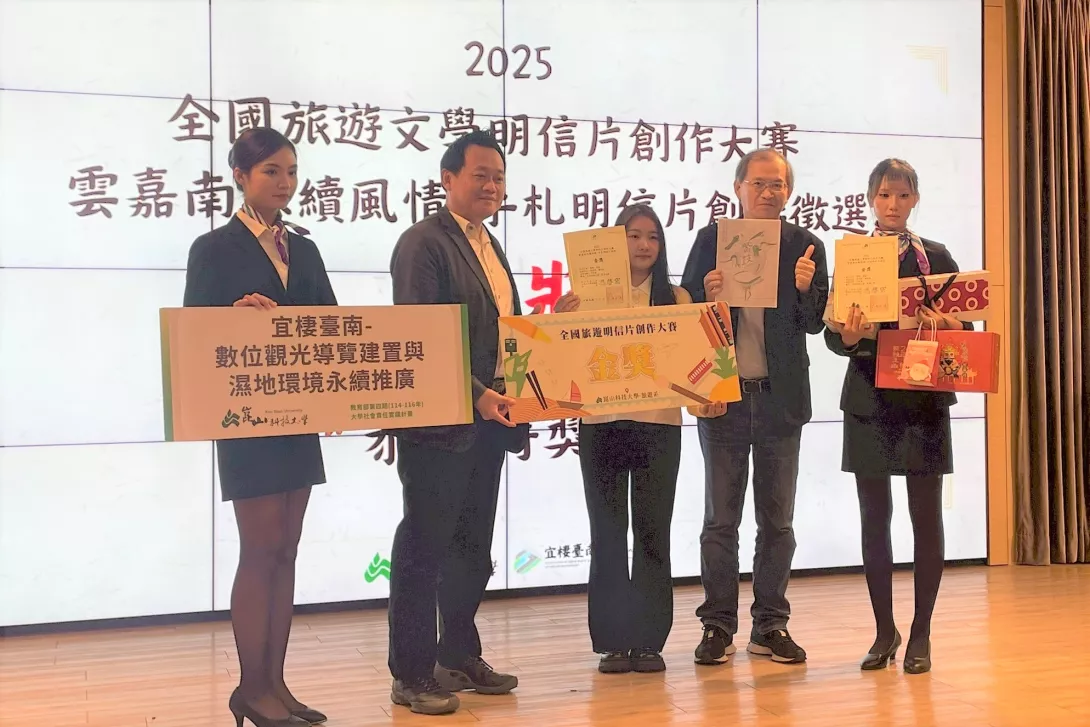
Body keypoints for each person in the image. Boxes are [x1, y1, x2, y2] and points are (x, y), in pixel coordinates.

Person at [183, 128, 335, 727]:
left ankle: (276, 684)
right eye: (271, 171)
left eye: (291, 171)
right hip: (247, 416)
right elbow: (193, 334)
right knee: (261, 547)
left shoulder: (306, 249)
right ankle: (251, 688)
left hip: (301, 415)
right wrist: (231, 316)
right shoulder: (213, 248)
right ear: (240, 176)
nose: (284, 182)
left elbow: (332, 326)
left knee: (287, 550)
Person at [386, 130, 530, 716]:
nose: (491, 186)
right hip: (440, 424)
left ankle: (459, 654)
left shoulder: (490, 244)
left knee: (472, 547)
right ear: (448, 180)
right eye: (480, 175)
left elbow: (502, 332)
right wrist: (476, 395)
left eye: (498, 177)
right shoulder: (423, 243)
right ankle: (411, 672)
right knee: (424, 547)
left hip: (491, 420)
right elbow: (421, 337)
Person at [554, 205, 725, 674]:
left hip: (659, 427)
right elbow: (560, 360)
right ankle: (612, 642)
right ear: (615, 241)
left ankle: (649, 641)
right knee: (607, 534)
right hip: (601, 425)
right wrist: (558, 322)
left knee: (653, 533)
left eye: (652, 237)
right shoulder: (585, 297)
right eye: (634, 235)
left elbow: (698, 365)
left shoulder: (677, 297)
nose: (644, 245)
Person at [680, 149, 828, 667]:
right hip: (724, 396)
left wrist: (806, 289)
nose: (769, 192)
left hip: (780, 400)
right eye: (759, 183)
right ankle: (717, 626)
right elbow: (685, 313)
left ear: (789, 192)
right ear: (738, 187)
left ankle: (771, 625)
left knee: (778, 522)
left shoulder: (806, 245)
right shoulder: (711, 240)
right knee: (720, 520)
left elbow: (816, 323)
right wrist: (705, 292)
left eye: (778, 185)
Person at [825, 158, 971, 675]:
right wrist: (847, 336)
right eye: (885, 195)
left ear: (915, 200)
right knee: (874, 519)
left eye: (903, 195)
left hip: (924, 398)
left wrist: (950, 324)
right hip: (868, 398)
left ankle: (922, 632)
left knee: (926, 518)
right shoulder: (855, 257)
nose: (893, 204)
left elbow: (968, 330)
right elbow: (835, 337)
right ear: (871, 199)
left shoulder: (937, 256)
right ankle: (884, 631)